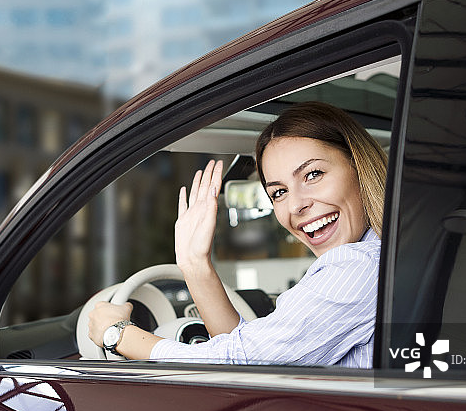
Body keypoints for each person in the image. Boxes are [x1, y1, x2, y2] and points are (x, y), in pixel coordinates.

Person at [88, 101, 387, 367]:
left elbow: (239, 360)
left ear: (359, 166)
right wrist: (194, 264)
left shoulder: (360, 267)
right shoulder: (381, 258)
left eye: (313, 174)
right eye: (279, 192)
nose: (296, 205)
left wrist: (118, 335)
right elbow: (243, 363)